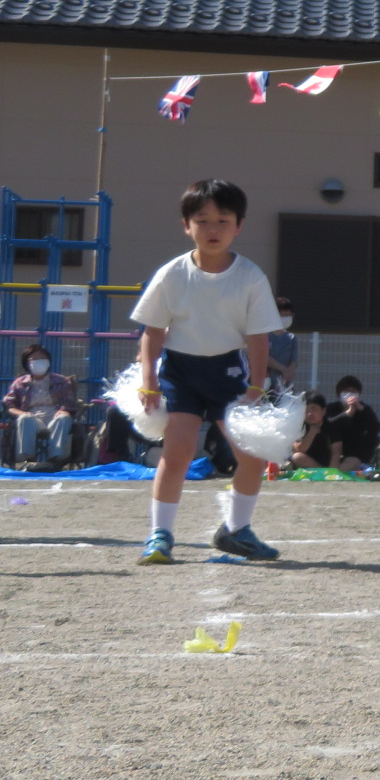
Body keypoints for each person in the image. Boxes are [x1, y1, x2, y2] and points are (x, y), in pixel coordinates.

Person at [129, 179, 286, 564]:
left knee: (251, 456)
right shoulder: (171, 274)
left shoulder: (250, 276)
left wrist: (255, 385)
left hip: (229, 372)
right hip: (180, 371)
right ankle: (160, 535)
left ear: (239, 225)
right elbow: (152, 331)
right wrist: (149, 380)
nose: (213, 229)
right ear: (186, 225)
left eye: (223, 220)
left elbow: (259, 338)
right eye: (202, 220)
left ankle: (236, 531)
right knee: (178, 452)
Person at [5, 345, 78, 470]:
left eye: (42, 358)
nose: (39, 362)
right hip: (33, 418)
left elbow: (70, 402)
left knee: (64, 419)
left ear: (48, 361)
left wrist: (63, 410)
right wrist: (21, 413)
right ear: (27, 363)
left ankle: (55, 458)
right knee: (24, 419)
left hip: (54, 417)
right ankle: (28, 459)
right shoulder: (20, 382)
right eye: (34, 359)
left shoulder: (62, 381)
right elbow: (9, 405)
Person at [326, 376, 380, 472]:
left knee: (374, 438)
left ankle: (357, 465)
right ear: (339, 394)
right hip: (335, 448)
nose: (350, 394)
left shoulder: (364, 408)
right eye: (346, 391)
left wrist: (361, 409)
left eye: (353, 391)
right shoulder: (332, 407)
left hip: (354, 451)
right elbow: (329, 425)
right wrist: (347, 414)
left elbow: (375, 428)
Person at [290, 392, 344, 470]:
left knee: (353, 461)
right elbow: (299, 449)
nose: (309, 414)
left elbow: (337, 451)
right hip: (308, 462)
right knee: (297, 457)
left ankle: (326, 472)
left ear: (324, 410)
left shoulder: (331, 426)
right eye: (306, 410)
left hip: (329, 461)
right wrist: (312, 433)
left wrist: (332, 471)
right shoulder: (300, 426)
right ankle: (322, 471)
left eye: (313, 408)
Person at [265, 297, 297, 391]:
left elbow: (294, 360)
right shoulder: (265, 335)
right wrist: (283, 369)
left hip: (284, 385)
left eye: (289, 315)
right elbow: (264, 357)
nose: (287, 318)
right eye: (284, 315)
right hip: (266, 384)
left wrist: (289, 371)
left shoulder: (291, 338)